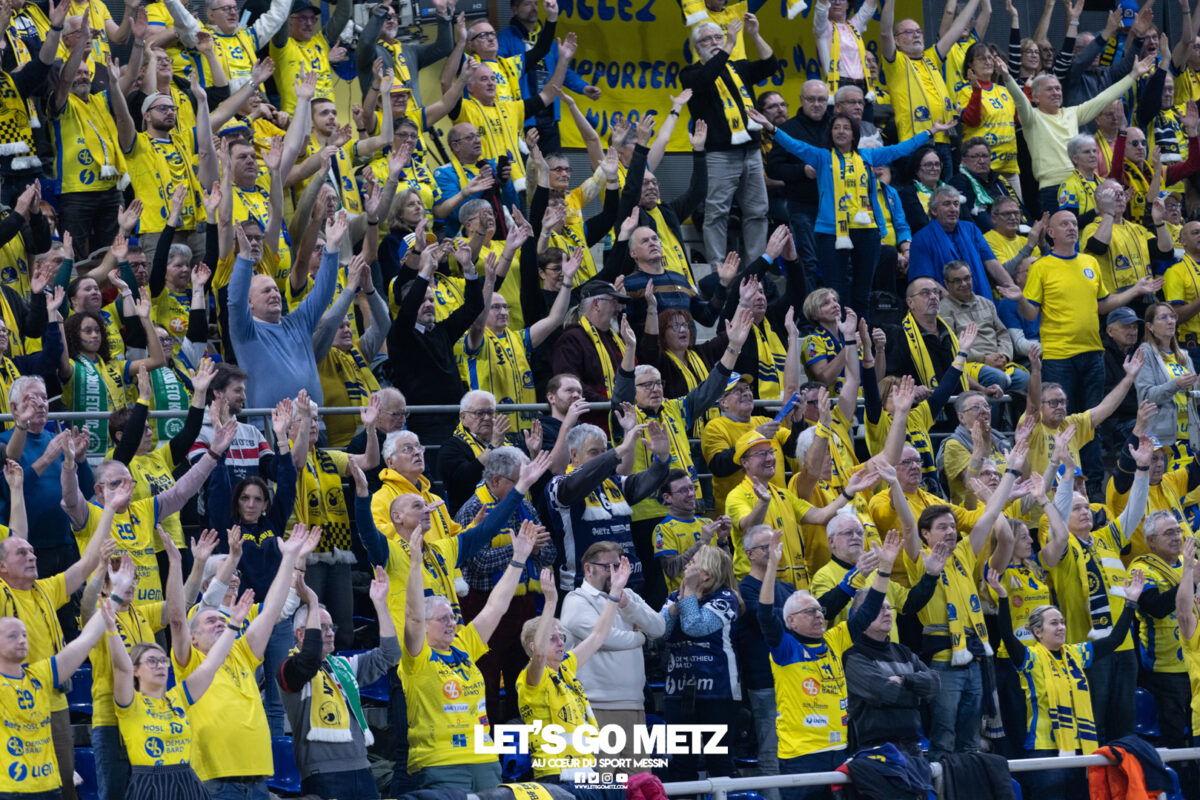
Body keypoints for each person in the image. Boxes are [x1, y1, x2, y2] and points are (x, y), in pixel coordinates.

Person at [748, 107, 948, 318]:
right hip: (832, 232)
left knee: (863, 291)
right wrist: (769, 126)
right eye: (836, 128)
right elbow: (793, 145)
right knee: (836, 290)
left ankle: (862, 333)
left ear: (854, 134)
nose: (841, 131)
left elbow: (901, 148)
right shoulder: (822, 157)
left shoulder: (868, 156)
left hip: (867, 231)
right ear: (831, 133)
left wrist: (931, 132)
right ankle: (839, 332)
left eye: (846, 128)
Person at [176, 524, 321, 797]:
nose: (220, 623)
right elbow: (206, 604)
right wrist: (232, 557)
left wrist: (293, 558)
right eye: (212, 622)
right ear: (192, 637)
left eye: (236, 573)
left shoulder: (242, 647)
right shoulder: (193, 640)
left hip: (256, 779)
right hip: (214, 780)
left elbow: (278, 607)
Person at [759, 528, 902, 800]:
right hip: (802, 756)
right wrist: (771, 568)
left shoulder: (834, 639)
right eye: (809, 611)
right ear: (790, 621)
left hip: (839, 750)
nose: (818, 615)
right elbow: (764, 615)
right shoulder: (785, 648)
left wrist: (884, 569)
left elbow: (868, 610)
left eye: (819, 610)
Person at [400, 522, 539, 790]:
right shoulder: (417, 656)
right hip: (441, 763)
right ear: (425, 626)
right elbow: (413, 616)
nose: (451, 623)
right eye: (442, 618)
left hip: (485, 760)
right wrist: (415, 564)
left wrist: (518, 559)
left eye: (453, 617)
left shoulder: (464, 646)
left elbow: (496, 606)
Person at [990, 568, 1145, 800]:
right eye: (1054, 623)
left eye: (1062, 622)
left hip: (1081, 746)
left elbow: (1114, 640)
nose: (1061, 627)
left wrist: (1131, 602)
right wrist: (1003, 598)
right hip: (1044, 749)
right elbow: (1006, 633)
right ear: (1037, 631)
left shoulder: (1077, 653)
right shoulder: (1029, 658)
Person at [1040, 437, 1153, 744]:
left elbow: (1134, 511)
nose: (1085, 512)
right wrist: (1067, 476)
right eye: (1076, 509)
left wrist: (1142, 470)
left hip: (1124, 645)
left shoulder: (1106, 538)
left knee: (1125, 728)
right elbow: (1058, 520)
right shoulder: (1063, 547)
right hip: (1089, 649)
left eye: (1087, 507)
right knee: (1094, 728)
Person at [106, 577, 252, 800]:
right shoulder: (130, 703)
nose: (160, 666)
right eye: (152, 661)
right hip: (150, 785)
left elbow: (211, 664)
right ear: (136, 670)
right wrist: (110, 629)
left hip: (189, 782)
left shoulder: (179, 697)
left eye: (162, 660)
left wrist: (233, 626)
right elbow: (121, 667)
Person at [453, 445, 557, 727]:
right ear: (496, 480)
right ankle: (488, 742)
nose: (524, 486)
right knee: (485, 679)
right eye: (518, 480)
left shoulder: (526, 505)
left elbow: (550, 554)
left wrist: (533, 549)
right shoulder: (473, 509)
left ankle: (523, 739)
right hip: (484, 606)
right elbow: (478, 564)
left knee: (524, 676)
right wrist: (521, 549)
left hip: (524, 606)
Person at [278, 568, 399, 800]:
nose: (330, 633)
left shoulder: (344, 666)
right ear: (301, 635)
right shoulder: (289, 668)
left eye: (331, 627)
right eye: (322, 627)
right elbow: (308, 659)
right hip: (322, 774)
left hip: (362, 768)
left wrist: (380, 604)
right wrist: (313, 602)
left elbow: (390, 654)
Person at [995, 52, 1155, 215]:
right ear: (1035, 97)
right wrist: (1007, 78)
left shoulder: (1072, 113)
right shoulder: (1031, 118)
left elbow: (1104, 98)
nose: (1056, 92)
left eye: (1058, 88)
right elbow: (1020, 100)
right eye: (1049, 89)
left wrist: (1133, 75)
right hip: (1053, 189)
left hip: (1082, 184)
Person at [560, 541, 666, 770]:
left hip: (634, 704)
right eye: (607, 567)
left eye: (617, 566)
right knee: (603, 783)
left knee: (639, 782)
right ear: (588, 569)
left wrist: (628, 606)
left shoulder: (628, 595)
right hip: (595, 706)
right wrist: (641, 637)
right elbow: (604, 638)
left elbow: (659, 627)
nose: (614, 572)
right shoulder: (576, 600)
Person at [228, 208, 344, 412]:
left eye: (275, 289)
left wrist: (332, 248)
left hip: (314, 423)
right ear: (250, 303)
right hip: (269, 426)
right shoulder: (245, 331)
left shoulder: (298, 323)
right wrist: (245, 257)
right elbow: (235, 301)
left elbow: (323, 294)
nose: (274, 294)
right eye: (266, 291)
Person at [681, 15, 775, 265]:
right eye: (707, 39)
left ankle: (755, 268)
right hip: (719, 155)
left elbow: (770, 65)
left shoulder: (738, 68)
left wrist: (754, 35)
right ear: (697, 46)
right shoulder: (691, 74)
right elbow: (705, 80)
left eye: (718, 37)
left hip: (751, 152)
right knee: (716, 214)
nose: (714, 42)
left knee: (758, 212)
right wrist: (729, 44)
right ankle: (718, 271)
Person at [0, 595, 115, 800]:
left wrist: (116, 594)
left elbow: (86, 640)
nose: (22, 640)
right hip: (8, 790)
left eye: (25, 635)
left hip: (50, 787)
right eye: (12, 636)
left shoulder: (40, 675)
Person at [518, 562, 624, 780]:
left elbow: (598, 636)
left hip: (585, 768)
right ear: (534, 646)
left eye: (562, 637)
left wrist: (615, 592)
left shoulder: (565, 667)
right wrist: (550, 602)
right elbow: (540, 655)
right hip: (555, 772)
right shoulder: (531, 676)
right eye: (552, 638)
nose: (561, 643)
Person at [385, 242, 484, 473]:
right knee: (436, 479)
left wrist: (468, 268)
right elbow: (407, 311)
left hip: (456, 421)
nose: (429, 305)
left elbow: (474, 306)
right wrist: (425, 271)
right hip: (424, 424)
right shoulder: (400, 334)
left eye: (431, 300)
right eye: (422, 301)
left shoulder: (442, 331)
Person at [546, 420, 671, 590]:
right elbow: (577, 482)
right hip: (584, 587)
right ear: (574, 455)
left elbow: (649, 480)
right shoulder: (558, 484)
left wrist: (662, 458)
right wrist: (618, 451)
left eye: (604, 451)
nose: (602, 457)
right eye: (594, 452)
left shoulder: (615, 483)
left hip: (627, 582)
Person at [660, 545, 742, 783]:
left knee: (719, 763)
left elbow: (695, 626)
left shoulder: (726, 598)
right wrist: (679, 602)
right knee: (682, 764)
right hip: (678, 692)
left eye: (693, 562)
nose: (686, 566)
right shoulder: (674, 597)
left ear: (707, 573)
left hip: (717, 693)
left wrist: (687, 597)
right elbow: (660, 632)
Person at [879, 0, 980, 175]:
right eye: (909, 32)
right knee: (921, 191)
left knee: (946, 190)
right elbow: (884, 32)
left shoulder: (932, 57)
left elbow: (957, 28)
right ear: (897, 40)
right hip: (916, 142)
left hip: (944, 141)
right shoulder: (896, 62)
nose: (916, 35)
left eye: (919, 31)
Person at [907, 186, 1020, 295]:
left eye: (956, 204)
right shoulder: (921, 238)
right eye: (947, 204)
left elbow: (992, 263)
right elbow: (925, 280)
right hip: (947, 305)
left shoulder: (971, 229)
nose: (953, 209)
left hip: (982, 302)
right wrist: (955, 304)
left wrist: (1012, 288)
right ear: (934, 210)